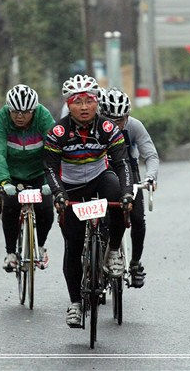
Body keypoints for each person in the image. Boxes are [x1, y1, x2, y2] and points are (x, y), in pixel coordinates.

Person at [43, 74, 133, 327]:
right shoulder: (58, 132)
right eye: (77, 101)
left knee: (118, 194)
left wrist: (127, 193)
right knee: (72, 244)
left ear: (97, 102)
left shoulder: (107, 129)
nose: (84, 107)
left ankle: (113, 250)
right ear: (68, 104)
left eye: (89, 101)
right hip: (70, 187)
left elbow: (122, 162)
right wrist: (59, 193)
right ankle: (74, 303)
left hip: (98, 177)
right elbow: (49, 167)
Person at [0, 84, 55, 272]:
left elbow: (55, 149)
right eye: (15, 111)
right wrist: (4, 181)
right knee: (10, 206)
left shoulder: (43, 117)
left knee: (46, 208)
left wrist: (51, 180)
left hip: (39, 173)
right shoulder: (0, 122)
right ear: (9, 109)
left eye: (25, 112)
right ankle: (11, 253)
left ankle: (40, 246)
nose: (19, 116)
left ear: (34, 110)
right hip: (13, 175)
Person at [99, 88, 159, 288]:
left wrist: (150, 177)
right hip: (103, 169)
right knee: (105, 219)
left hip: (129, 170)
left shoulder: (134, 126)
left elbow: (150, 155)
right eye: (110, 120)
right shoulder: (94, 127)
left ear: (127, 116)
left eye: (120, 120)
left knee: (137, 220)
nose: (115, 125)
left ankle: (135, 264)